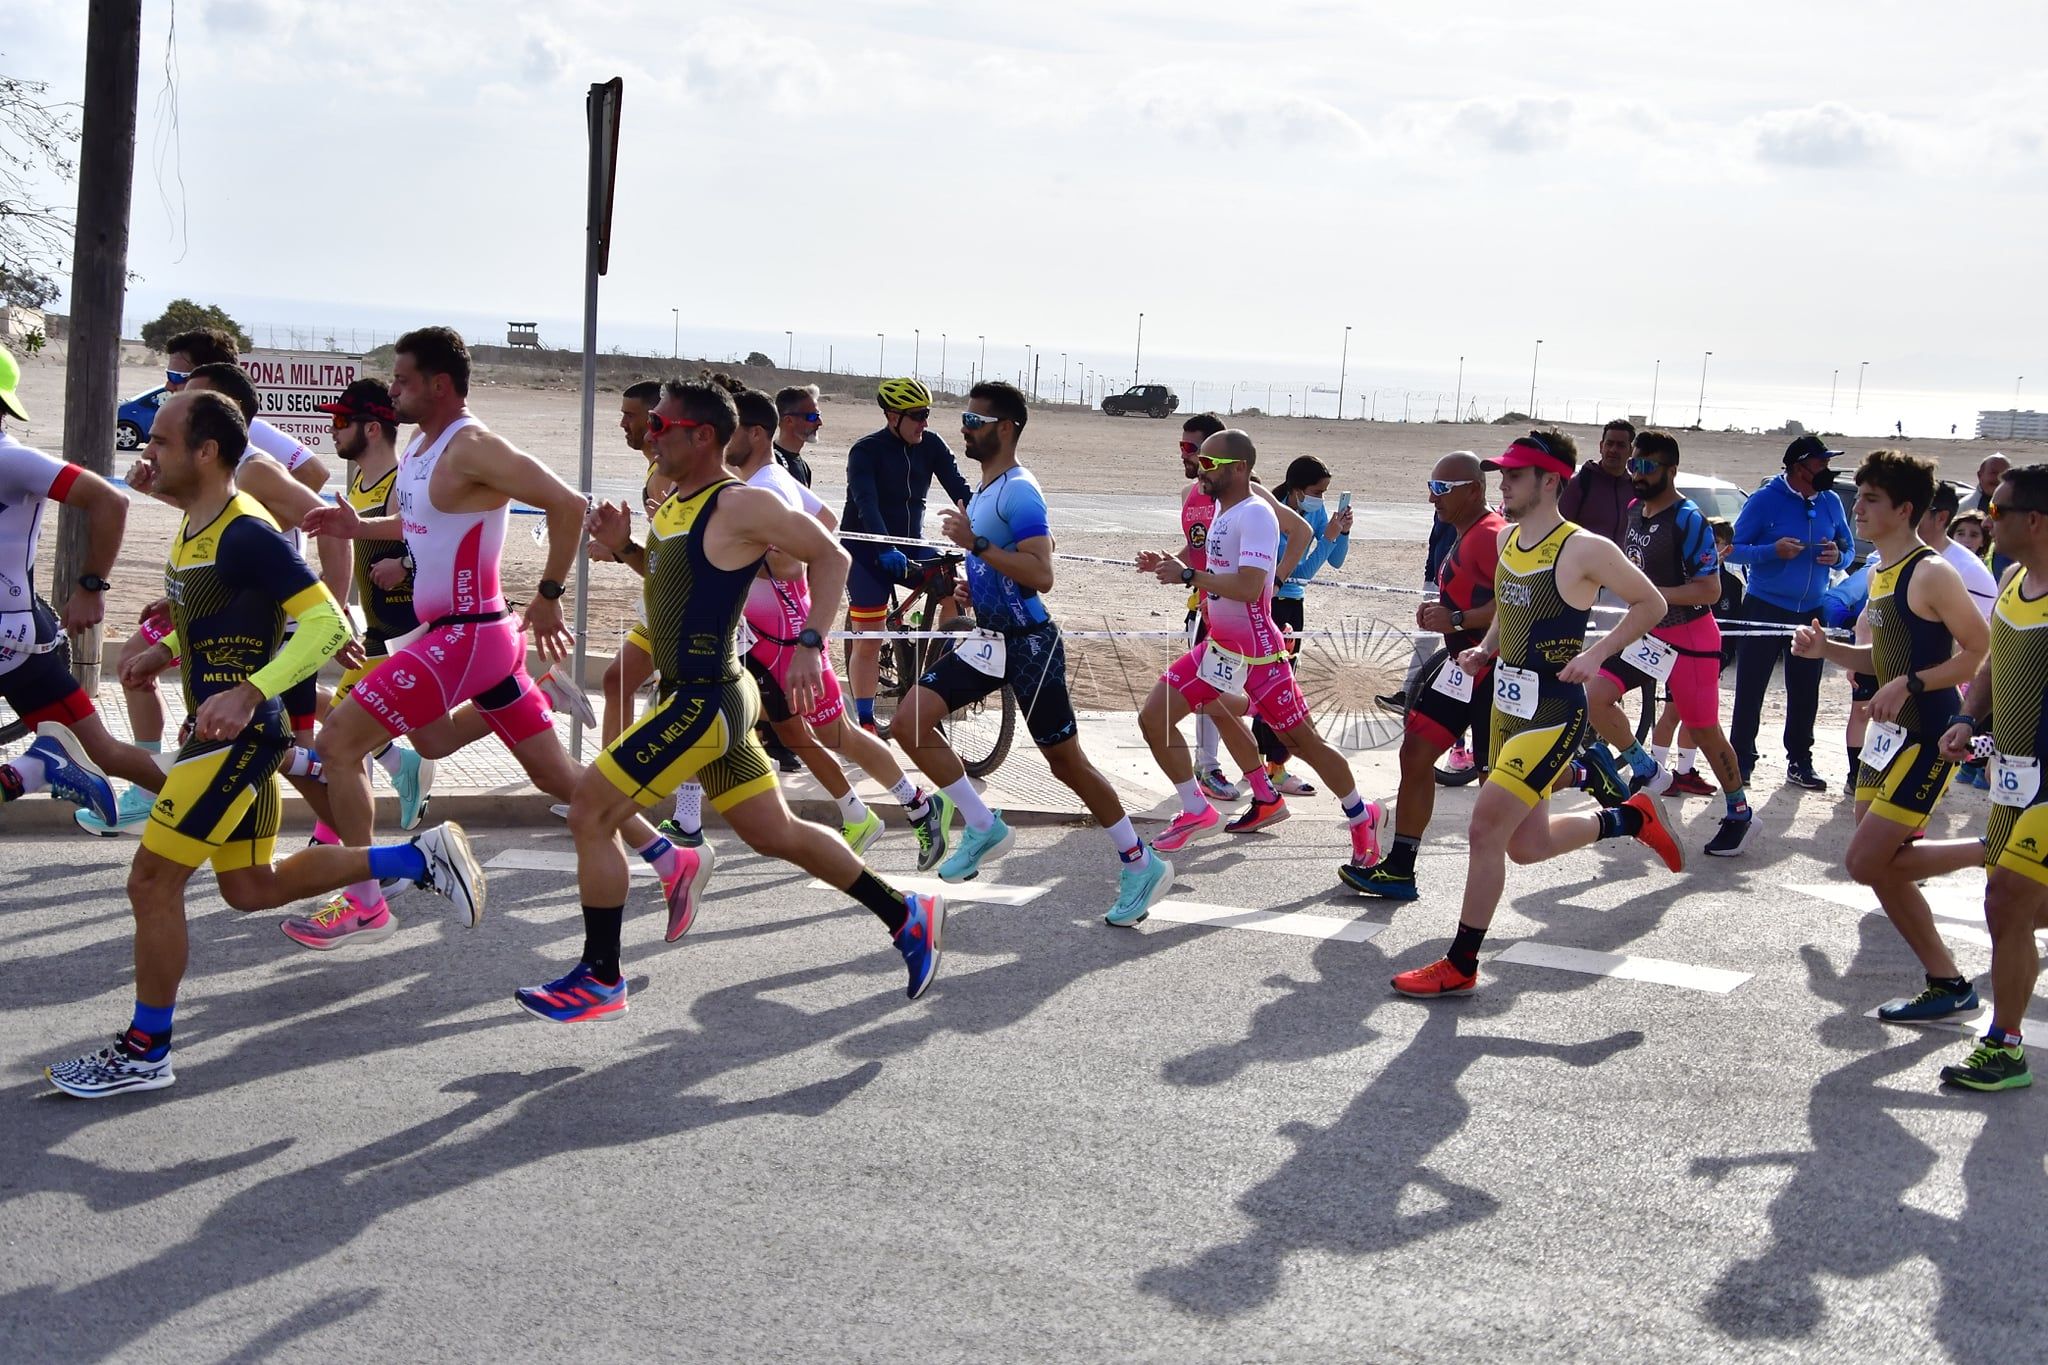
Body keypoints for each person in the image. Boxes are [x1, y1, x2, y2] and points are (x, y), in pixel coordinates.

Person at [43, 392, 483, 1099]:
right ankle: (414, 856)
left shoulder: (245, 528)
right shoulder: (199, 525)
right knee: (251, 887)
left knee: (151, 883)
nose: (144, 453)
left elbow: (325, 625)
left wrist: (250, 691)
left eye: (159, 440)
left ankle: (144, 1048)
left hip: (240, 733)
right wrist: (172, 628)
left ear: (206, 451)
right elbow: (228, 609)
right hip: (224, 733)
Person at [528, 378, 945, 1020]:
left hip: (704, 700)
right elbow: (674, 581)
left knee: (589, 811)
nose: (648, 432)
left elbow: (830, 556)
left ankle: (602, 975)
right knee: (776, 832)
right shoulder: (673, 505)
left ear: (702, 437)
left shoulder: (737, 505)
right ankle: (906, 913)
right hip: (708, 695)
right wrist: (626, 549)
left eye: (661, 425)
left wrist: (811, 642)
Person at [301, 327, 698, 949]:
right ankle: (670, 857)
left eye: (403, 379)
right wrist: (359, 526)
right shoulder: (423, 447)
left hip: (468, 634)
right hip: (461, 638)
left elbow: (568, 504)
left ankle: (365, 902)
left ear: (438, 385)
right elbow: (419, 523)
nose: (394, 389)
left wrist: (547, 596)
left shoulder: (475, 446)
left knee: (340, 742)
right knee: (540, 771)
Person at [1390, 431, 1683, 999]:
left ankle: (1462, 962)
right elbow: (1508, 606)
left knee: (1483, 828)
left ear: (1550, 481)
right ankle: (1630, 818)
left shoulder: (1583, 548)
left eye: (1515, 475)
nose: (1504, 483)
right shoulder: (1510, 542)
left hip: (1553, 710)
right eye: (1503, 474)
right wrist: (1486, 647)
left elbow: (1653, 603)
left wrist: (1597, 654)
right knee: (1527, 846)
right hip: (1505, 707)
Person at [895, 382, 1175, 926]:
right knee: (909, 722)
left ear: (1005, 428)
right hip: (990, 638)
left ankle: (1141, 863)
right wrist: (976, 585)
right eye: (964, 417)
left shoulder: (1020, 491)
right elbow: (1007, 570)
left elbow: (1041, 575)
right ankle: (982, 826)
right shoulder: (984, 490)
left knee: (1065, 763)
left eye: (974, 420)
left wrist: (976, 546)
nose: (964, 428)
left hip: (1029, 647)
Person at [84, 347, 351, 833]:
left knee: (297, 746)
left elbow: (326, 521)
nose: (176, 399)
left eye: (190, 393)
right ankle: (367, 858)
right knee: (252, 880)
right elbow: (218, 557)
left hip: (279, 632)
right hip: (241, 635)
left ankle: (366, 853)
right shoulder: (210, 492)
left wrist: (332, 598)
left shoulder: (251, 472)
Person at [1791, 450, 1989, 1024]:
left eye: (1872, 499)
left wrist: (1911, 683)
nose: (1858, 507)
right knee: (1881, 863)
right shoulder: (1883, 571)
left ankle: (1994, 852)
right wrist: (1825, 649)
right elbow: (1881, 656)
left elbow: (1979, 653)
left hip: (1927, 734)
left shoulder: (1932, 572)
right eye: (1860, 496)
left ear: (1905, 509)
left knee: (1865, 860)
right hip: (1886, 739)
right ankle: (1947, 980)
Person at [719, 380, 950, 866]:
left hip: (789, 638)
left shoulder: (765, 491)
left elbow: (823, 549)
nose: (723, 439)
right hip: (762, 636)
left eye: (731, 429)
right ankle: (853, 813)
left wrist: (786, 575)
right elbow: (824, 516)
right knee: (793, 730)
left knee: (839, 733)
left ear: (757, 435)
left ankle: (920, 805)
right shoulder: (773, 480)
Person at [1138, 430, 1387, 876]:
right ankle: (1198, 809)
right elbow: (1214, 566)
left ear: (1239, 468)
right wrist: (1171, 563)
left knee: (1303, 743)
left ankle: (1360, 813)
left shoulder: (1255, 515)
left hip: (1260, 658)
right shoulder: (1223, 508)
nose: (1200, 468)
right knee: (1154, 717)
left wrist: (1190, 576)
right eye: (1199, 460)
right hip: (1220, 651)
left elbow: (1253, 586)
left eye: (1210, 463)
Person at [0, 343, 160, 823]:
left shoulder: (12, 460)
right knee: (104, 751)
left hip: (11, 638)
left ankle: (220, 814)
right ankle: (35, 769)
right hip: (18, 645)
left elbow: (111, 501)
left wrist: (91, 586)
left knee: (105, 751)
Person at [1583, 430, 1755, 856]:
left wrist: (1651, 594)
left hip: (1691, 639)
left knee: (1704, 731)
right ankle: (1650, 771)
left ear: (1670, 471)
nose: (1636, 473)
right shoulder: (1634, 512)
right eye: (1633, 465)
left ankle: (1740, 811)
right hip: (1648, 632)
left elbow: (1710, 591)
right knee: (1594, 696)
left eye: (1646, 466)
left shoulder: (1688, 519)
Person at [1340, 452, 1503, 900]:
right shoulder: (1462, 531)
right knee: (1415, 755)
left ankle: (1589, 774)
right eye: (1430, 487)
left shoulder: (1490, 534)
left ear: (1474, 489)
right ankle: (1399, 869)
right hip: (1458, 668)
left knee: (1498, 791)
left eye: (1442, 489)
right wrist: (1445, 617)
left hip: (1493, 672)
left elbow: (1511, 607)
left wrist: (1454, 618)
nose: (1433, 497)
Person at [1933, 462, 2048, 1090]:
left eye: (1998, 512)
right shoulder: (2011, 580)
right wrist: (1967, 718)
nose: (1985, 521)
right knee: (2017, 909)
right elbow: (1994, 665)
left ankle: (2005, 1046)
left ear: (2035, 521)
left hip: (2047, 787)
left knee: (2006, 902)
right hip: (2011, 778)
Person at [315, 378, 435, 838]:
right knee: (343, 733)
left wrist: (405, 562)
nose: (333, 429)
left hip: (406, 636)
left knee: (339, 738)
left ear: (371, 430)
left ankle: (331, 845)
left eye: (342, 421)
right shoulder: (361, 484)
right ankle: (401, 765)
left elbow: (437, 539)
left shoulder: (398, 482)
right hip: (376, 635)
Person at [840, 377, 972, 732]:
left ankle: (935, 683)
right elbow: (866, 505)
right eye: (917, 415)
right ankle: (866, 724)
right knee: (870, 638)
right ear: (892, 416)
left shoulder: (931, 445)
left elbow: (961, 489)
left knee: (952, 594)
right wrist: (884, 547)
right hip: (865, 549)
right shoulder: (865, 451)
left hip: (912, 544)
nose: (924, 423)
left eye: (926, 414)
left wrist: (988, 522)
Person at [1727, 433, 1853, 790]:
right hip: (1764, 606)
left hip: (1811, 610)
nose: (1827, 468)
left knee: (1805, 691)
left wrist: (1837, 557)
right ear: (1800, 467)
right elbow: (1733, 548)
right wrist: (1771, 551)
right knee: (1751, 688)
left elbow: (1846, 547)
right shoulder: (1765, 500)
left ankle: (1800, 761)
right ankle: (1741, 763)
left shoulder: (1830, 501)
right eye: (1821, 462)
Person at [1247, 455, 1353, 797]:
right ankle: (1273, 766)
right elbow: (1298, 572)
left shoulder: (1318, 513)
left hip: (1295, 604)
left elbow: (1335, 561)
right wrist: (1327, 539)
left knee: (1280, 681)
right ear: (1296, 489)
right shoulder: (1275, 515)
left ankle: (1269, 764)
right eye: (1316, 491)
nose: (1321, 497)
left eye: (1325, 492)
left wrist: (1342, 534)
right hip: (1273, 601)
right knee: (1271, 685)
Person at [1557, 418, 1637, 544]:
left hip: (1621, 563)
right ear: (1601, 446)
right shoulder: (1580, 483)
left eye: (1621, 445)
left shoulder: (1635, 488)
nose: (1613, 450)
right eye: (1609, 443)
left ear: (1631, 451)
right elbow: (1558, 530)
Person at [773, 383, 821, 487]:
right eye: (812, 417)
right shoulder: (771, 464)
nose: (819, 422)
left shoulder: (803, 467)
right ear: (789, 420)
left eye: (818, 415)